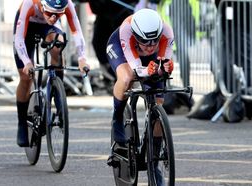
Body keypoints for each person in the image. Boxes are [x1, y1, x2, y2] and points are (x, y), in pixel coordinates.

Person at [106, 8, 174, 185]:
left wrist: (163, 68)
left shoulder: (167, 31)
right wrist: (148, 70)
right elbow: (136, 69)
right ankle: (117, 117)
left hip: (148, 60)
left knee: (158, 104)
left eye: (155, 40)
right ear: (137, 35)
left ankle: (154, 163)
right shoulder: (127, 30)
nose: (151, 45)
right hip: (124, 52)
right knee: (127, 77)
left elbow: (163, 63)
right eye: (145, 41)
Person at [13, 0, 90, 147]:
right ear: (42, 6)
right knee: (25, 77)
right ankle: (22, 122)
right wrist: (27, 62)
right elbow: (19, 38)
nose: (54, 17)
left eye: (58, 13)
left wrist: (82, 58)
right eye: (50, 13)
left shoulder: (67, 4)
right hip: (27, 25)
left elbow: (77, 31)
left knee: (57, 46)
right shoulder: (30, 4)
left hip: (48, 28)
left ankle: (56, 91)